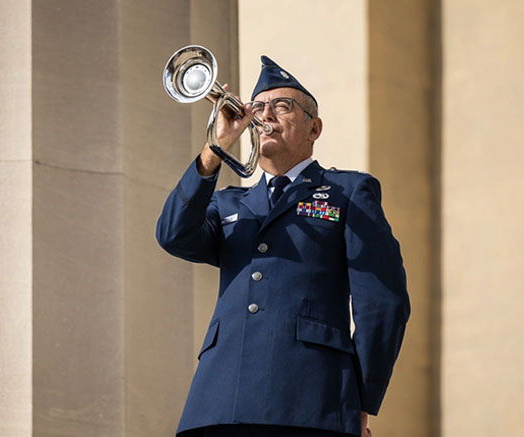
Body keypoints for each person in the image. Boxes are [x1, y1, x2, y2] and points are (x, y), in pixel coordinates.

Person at [155, 55, 410, 437]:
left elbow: (382, 303)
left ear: (314, 127)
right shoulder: (228, 202)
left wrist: (361, 400)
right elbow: (173, 234)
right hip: (219, 402)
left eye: (282, 106)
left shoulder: (348, 191)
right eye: (258, 107)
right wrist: (217, 147)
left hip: (312, 400)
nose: (265, 115)